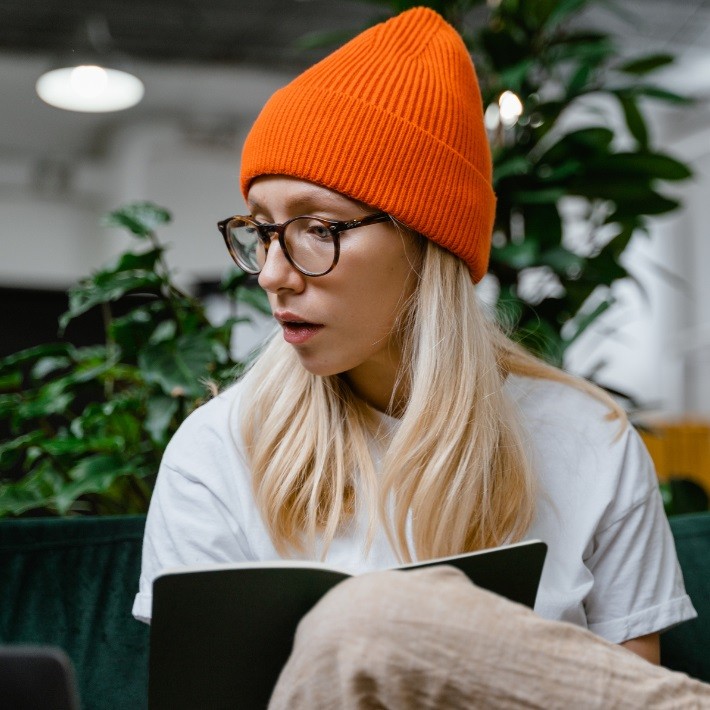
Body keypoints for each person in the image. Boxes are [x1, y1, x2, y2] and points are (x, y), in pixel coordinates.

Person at [133, 7, 709, 707]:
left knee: (377, 621)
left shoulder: (590, 436)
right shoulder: (216, 450)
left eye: (316, 228)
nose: (272, 273)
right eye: (260, 230)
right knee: (367, 623)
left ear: (426, 242)